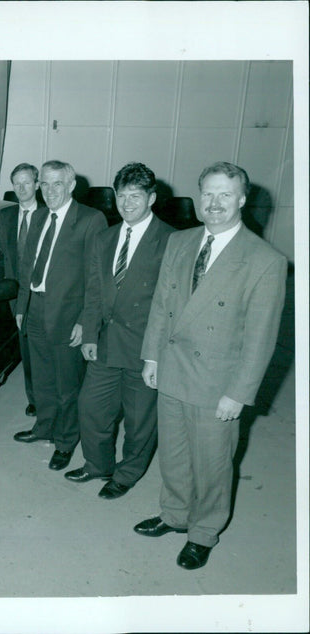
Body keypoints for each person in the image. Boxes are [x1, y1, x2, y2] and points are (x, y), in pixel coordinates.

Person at [136, 162, 287, 570]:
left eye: (225, 195)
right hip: (171, 368)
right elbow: (162, 305)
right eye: (208, 194)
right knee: (173, 454)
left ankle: (203, 532)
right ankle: (174, 514)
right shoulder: (181, 242)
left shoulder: (264, 260)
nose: (214, 203)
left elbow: (261, 339)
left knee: (213, 464)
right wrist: (151, 356)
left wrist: (238, 393)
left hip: (216, 383)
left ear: (242, 199)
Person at [65, 163, 174, 499]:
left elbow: (171, 305)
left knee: (140, 421)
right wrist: (90, 336)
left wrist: (156, 355)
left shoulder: (171, 240)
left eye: (136, 196)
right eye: (121, 195)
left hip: (146, 350)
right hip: (107, 344)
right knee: (91, 407)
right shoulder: (104, 237)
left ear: (151, 198)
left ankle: (127, 474)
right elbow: (94, 291)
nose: (127, 203)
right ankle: (98, 464)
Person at [14, 160, 107, 470]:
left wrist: (86, 320)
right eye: (45, 183)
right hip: (35, 309)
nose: (50, 190)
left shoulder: (91, 220)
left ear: (71, 186)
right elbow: (28, 267)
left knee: (67, 385)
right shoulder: (39, 216)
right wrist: (21, 307)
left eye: (57, 184)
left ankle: (66, 441)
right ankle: (44, 428)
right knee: (41, 379)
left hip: (69, 315)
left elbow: (97, 278)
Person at [0, 163, 45, 419]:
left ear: (37, 184)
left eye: (27, 182)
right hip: (16, 295)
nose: (22, 188)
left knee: (44, 350)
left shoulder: (48, 215)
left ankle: (50, 397)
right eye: (17, 183)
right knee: (25, 348)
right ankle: (34, 398)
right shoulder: (5, 216)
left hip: (44, 294)